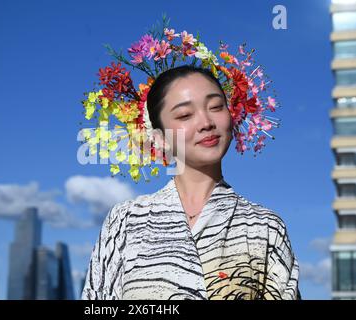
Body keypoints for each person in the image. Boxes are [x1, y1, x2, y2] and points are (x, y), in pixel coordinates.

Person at [80, 20, 300, 300]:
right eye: (185, 115)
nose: (206, 122)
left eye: (216, 107)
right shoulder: (125, 221)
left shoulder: (266, 227)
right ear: (159, 138)